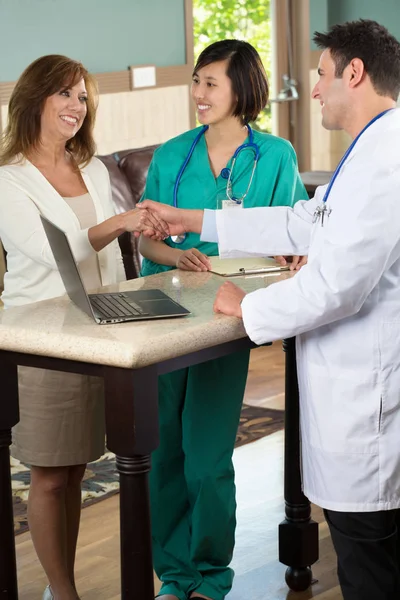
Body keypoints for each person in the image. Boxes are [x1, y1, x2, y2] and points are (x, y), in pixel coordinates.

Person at [141, 19, 400, 600]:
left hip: (369, 399)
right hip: (351, 393)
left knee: (369, 564)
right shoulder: (368, 153)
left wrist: (250, 307)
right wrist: (196, 221)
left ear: (354, 74)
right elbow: (302, 221)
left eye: (322, 74)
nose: (313, 89)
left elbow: (338, 287)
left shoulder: (385, 163)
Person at [139, 40, 307, 600]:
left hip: (226, 317)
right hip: (163, 317)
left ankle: (209, 575)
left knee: (207, 458)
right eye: (196, 80)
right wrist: (176, 254)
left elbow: (291, 236)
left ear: (242, 88)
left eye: (211, 82)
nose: (198, 93)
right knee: (163, 453)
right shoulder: (172, 155)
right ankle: (173, 576)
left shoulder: (276, 156)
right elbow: (151, 243)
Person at [0, 55, 166, 600]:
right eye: (65, 94)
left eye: (83, 96)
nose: (77, 106)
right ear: (34, 100)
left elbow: (113, 261)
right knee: (49, 473)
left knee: (77, 469)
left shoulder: (91, 167)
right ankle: (64, 593)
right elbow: (57, 253)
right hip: (42, 338)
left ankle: (57, 587)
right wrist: (122, 219)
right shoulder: (8, 181)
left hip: (101, 334)